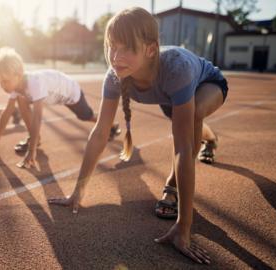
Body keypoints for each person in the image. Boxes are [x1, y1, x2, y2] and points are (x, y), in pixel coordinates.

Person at [48, 7, 228, 264]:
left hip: (207, 85)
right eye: (112, 47)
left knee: (194, 117)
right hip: (172, 96)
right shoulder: (114, 76)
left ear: (150, 49)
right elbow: (100, 132)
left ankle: (172, 185)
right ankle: (210, 138)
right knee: (187, 123)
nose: (116, 57)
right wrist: (77, 191)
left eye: (127, 49)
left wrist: (183, 228)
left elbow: (183, 150)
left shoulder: (176, 69)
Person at [0, 47, 122, 168]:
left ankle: (112, 125)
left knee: (86, 116)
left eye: (5, 81)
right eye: (0, 82)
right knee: (21, 100)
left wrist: (31, 151)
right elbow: (7, 113)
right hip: (55, 94)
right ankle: (35, 138)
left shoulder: (34, 83)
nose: (3, 86)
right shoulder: (16, 87)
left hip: (70, 92)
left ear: (18, 75)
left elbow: (37, 117)